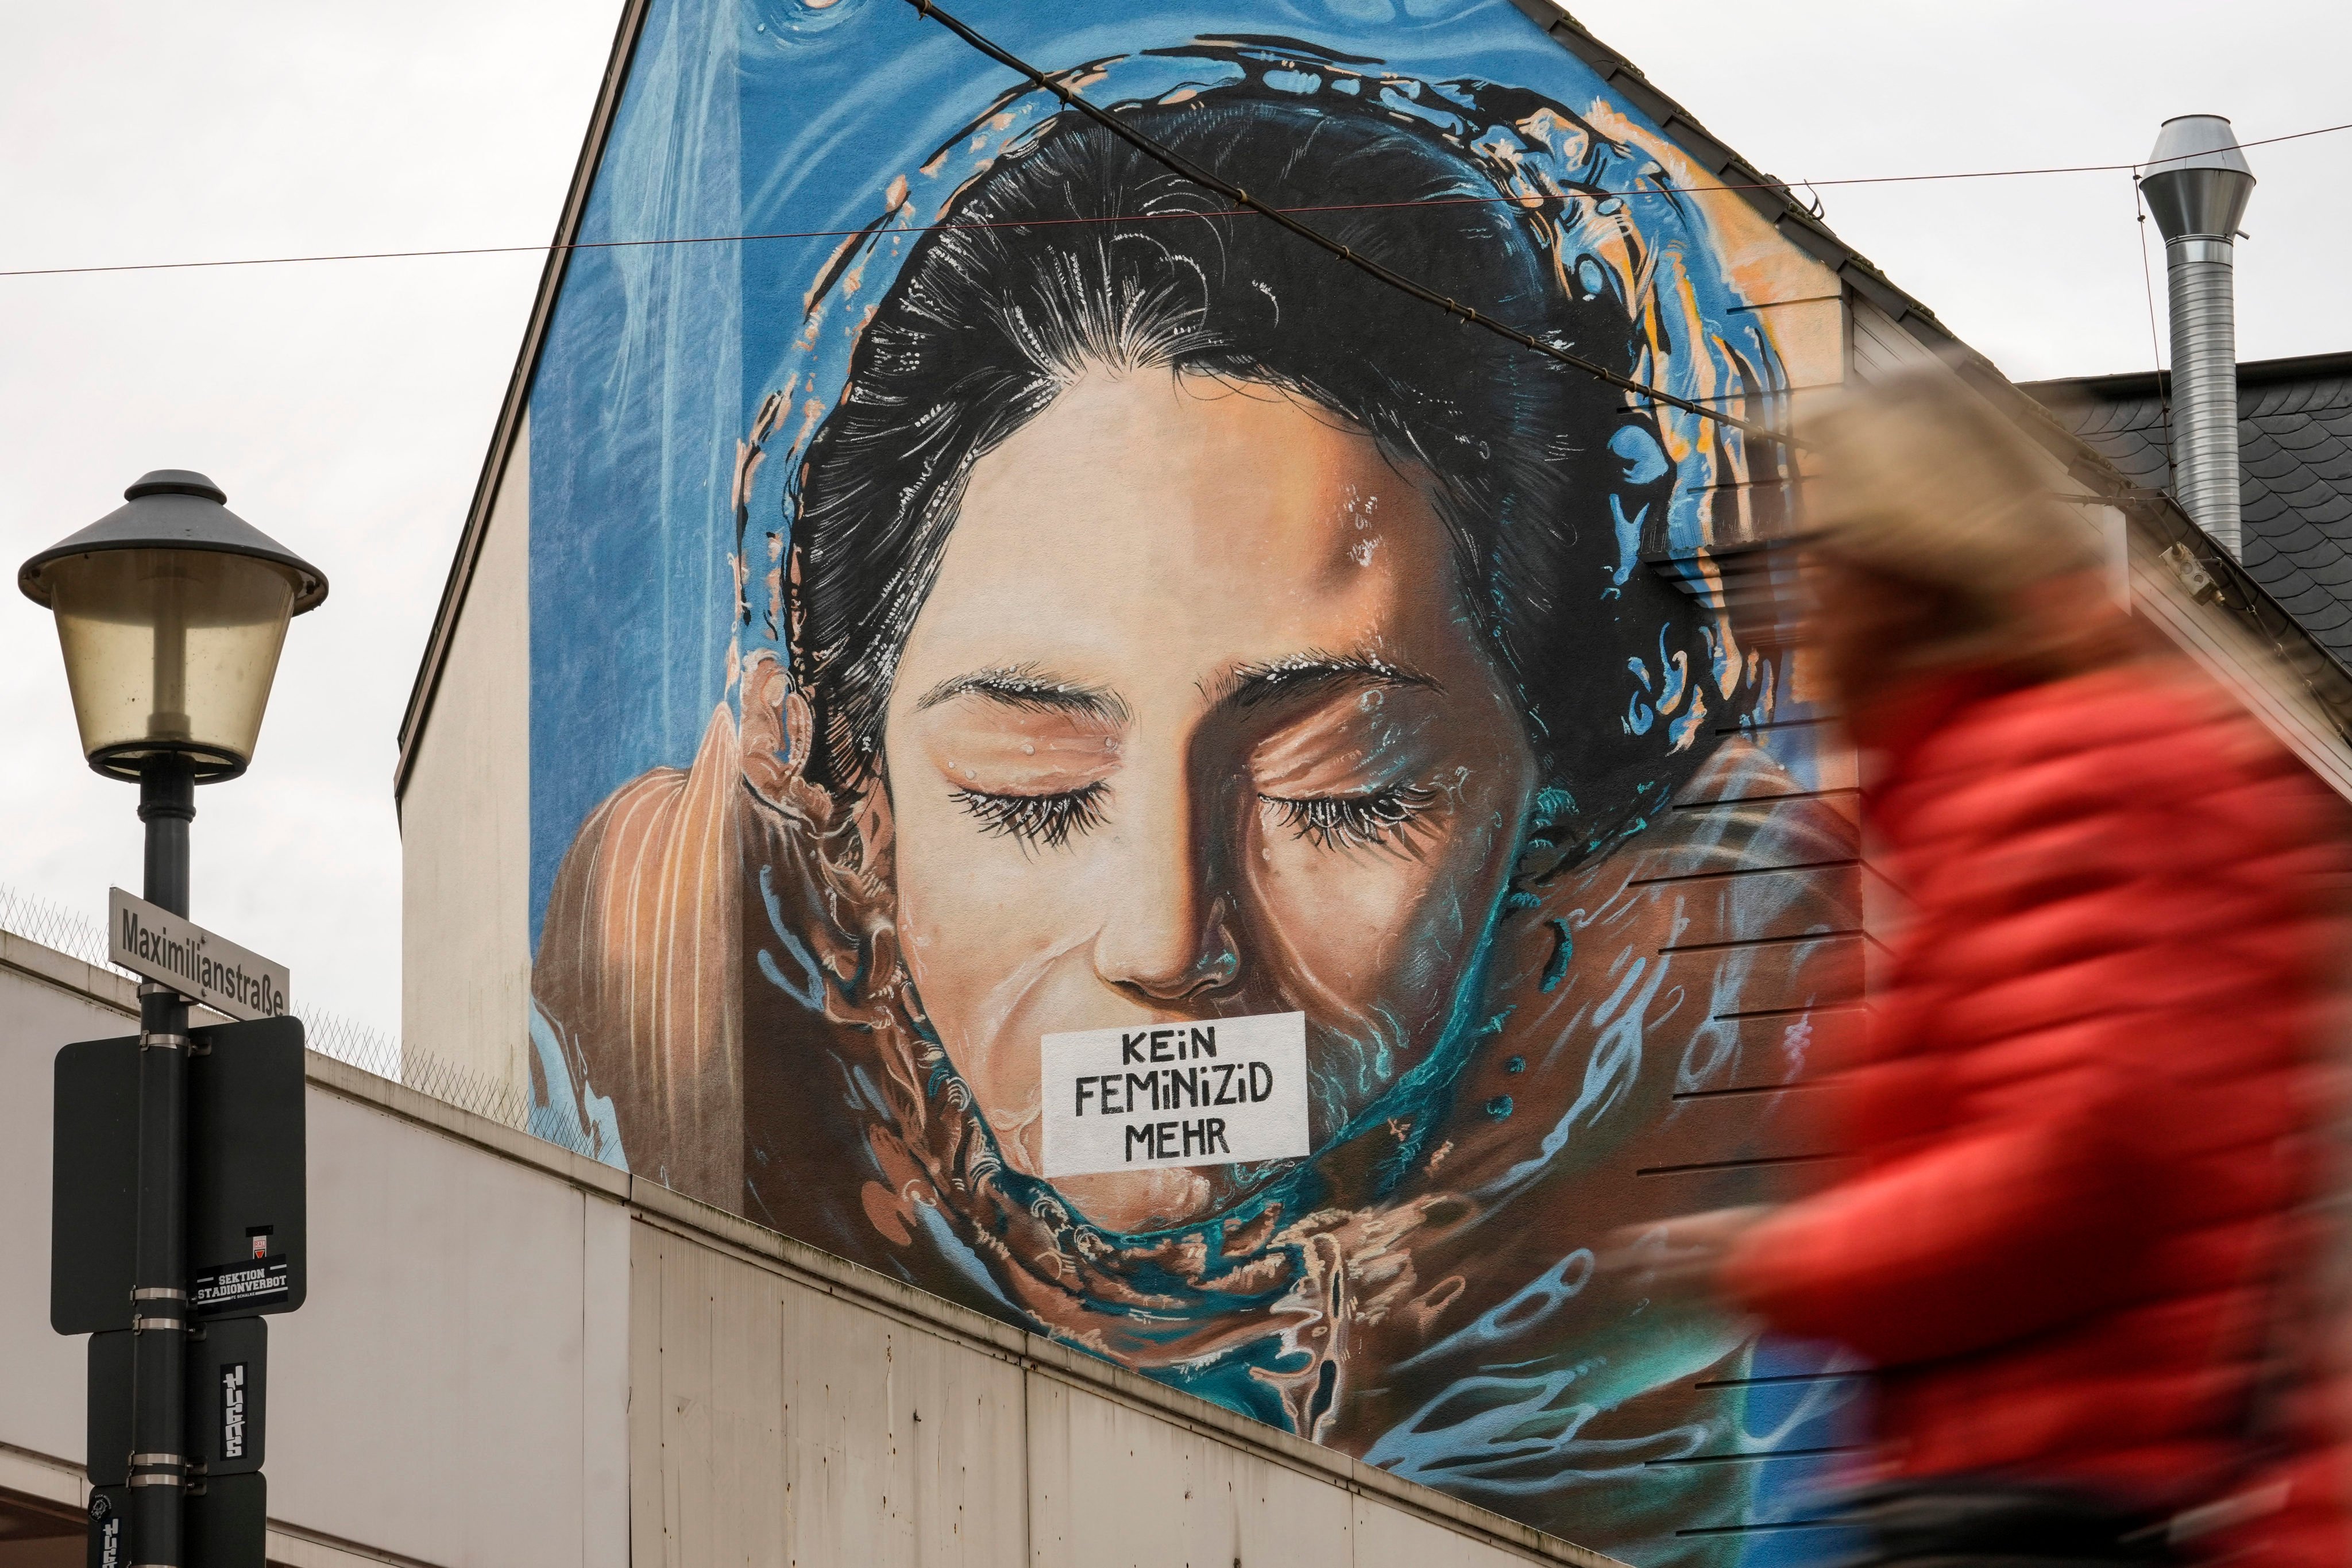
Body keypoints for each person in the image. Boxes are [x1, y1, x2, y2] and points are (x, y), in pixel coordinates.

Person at [533, 58, 1856, 1561]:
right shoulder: (680, 947)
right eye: (1026, 794)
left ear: (1552, 805)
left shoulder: (1716, 1024)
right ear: (860, 803)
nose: (1167, 939)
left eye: (1341, 789)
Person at [1626, 369, 2352, 1565]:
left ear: (1900, 562)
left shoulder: (2057, 772)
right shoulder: (1993, 779)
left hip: (2073, 1499)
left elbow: (2090, 1164)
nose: (1777, 617)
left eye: (1805, 560)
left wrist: (1783, 1261)